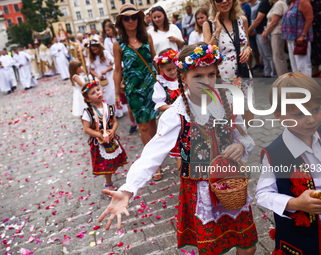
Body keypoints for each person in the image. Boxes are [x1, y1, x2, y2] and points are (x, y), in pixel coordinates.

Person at [98, 43, 258, 255]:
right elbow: (151, 156)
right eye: (198, 76)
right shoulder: (176, 114)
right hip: (201, 189)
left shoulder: (226, 100)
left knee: (247, 244)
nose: (207, 82)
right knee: (211, 248)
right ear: (183, 78)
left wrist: (240, 145)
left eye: (211, 74)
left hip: (231, 183)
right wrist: (128, 189)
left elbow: (243, 135)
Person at [255, 72, 321, 254]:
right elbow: (262, 194)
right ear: (279, 115)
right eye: (300, 114)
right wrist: (295, 203)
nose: (310, 119)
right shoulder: (274, 153)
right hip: (304, 237)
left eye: (315, 110)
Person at [113, 3, 159, 147]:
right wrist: (116, 94)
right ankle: (152, 163)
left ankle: (155, 157)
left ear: (138, 19)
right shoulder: (118, 43)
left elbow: (155, 60)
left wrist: (166, 80)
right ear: (121, 22)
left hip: (151, 86)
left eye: (134, 17)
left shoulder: (147, 37)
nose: (131, 21)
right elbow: (117, 70)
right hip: (133, 91)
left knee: (152, 122)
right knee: (143, 126)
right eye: (126, 19)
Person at [204, 0, 255, 127]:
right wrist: (217, 30)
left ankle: (245, 144)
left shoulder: (242, 20)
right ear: (213, 2)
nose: (224, 1)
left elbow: (247, 45)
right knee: (229, 119)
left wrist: (248, 50)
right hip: (223, 79)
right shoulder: (208, 24)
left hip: (243, 75)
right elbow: (206, 54)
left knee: (248, 116)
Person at [81, 81, 127, 191]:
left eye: (98, 90)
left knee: (112, 161)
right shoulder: (88, 112)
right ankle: (108, 183)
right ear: (88, 99)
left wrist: (112, 130)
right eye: (93, 93)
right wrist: (99, 134)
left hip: (110, 139)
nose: (97, 93)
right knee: (105, 163)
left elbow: (114, 122)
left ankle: (109, 179)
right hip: (99, 143)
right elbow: (86, 128)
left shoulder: (109, 107)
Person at [152, 48, 181, 178]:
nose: (173, 71)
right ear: (161, 69)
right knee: (181, 153)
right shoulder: (161, 84)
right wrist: (174, 108)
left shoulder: (184, 76)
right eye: (169, 70)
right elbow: (159, 105)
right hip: (175, 122)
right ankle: (185, 180)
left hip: (192, 118)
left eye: (175, 68)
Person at [88, 40, 124, 118]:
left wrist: (106, 70)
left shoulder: (105, 53)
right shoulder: (92, 57)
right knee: (102, 95)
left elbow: (113, 64)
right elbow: (91, 69)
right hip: (99, 77)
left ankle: (116, 112)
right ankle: (108, 113)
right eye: (93, 50)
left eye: (96, 49)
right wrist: (97, 76)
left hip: (108, 75)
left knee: (111, 93)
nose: (95, 51)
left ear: (99, 47)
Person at [281, 0, 313, 77]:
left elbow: (309, 19)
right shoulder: (291, 4)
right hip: (290, 39)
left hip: (300, 39)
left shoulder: (303, 2)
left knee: (303, 65)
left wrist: (303, 35)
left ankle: (307, 86)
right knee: (294, 66)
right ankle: (298, 85)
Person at [248, 0, 276, 77]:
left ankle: (273, 73)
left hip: (263, 32)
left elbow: (258, 19)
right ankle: (267, 72)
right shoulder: (263, 2)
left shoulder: (265, 2)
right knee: (264, 54)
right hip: (259, 31)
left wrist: (249, 30)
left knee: (268, 54)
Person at [262, 0, 288, 76]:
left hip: (277, 32)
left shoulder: (279, 3)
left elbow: (274, 22)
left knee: (278, 57)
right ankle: (283, 77)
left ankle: (283, 78)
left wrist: (266, 33)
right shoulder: (276, 4)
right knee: (278, 56)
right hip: (275, 32)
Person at [248, 0, 262, 69]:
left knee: (259, 48)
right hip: (251, 28)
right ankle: (257, 62)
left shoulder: (258, 4)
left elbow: (258, 18)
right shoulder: (249, 5)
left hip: (256, 28)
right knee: (253, 47)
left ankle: (262, 63)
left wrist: (252, 29)